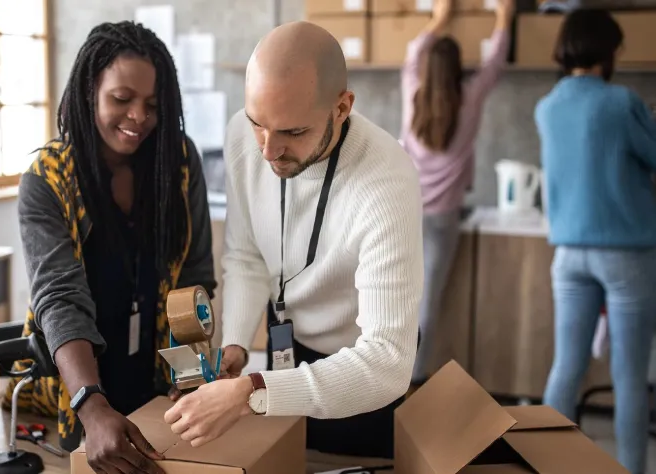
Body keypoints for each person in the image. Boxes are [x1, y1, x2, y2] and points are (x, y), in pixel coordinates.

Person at [163, 21, 424, 458]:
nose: (268, 151)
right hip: (288, 350)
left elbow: (387, 362)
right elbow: (246, 257)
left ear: (342, 108)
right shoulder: (242, 138)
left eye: (293, 132)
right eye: (257, 125)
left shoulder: (386, 180)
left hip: (358, 368)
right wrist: (236, 346)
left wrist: (252, 393)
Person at [3, 21, 216, 474]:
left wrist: (192, 376)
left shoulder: (176, 162)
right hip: (76, 389)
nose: (138, 116)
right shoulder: (47, 181)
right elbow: (60, 299)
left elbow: (194, 278)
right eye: (122, 99)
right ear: (88, 91)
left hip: (156, 384)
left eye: (153, 105)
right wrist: (90, 404)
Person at [536, 10, 656, 474]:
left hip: (568, 255)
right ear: (608, 51)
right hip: (626, 253)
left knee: (565, 368)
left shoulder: (546, 106)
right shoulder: (621, 102)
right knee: (628, 377)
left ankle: (540, 463)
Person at [400, 0, 513, 385]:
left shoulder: (412, 90)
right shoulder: (470, 99)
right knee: (428, 299)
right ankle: (413, 377)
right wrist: (503, 16)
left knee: (397, 296)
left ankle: (386, 373)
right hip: (443, 218)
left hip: (405, 209)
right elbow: (495, 63)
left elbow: (413, 54)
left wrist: (440, 18)